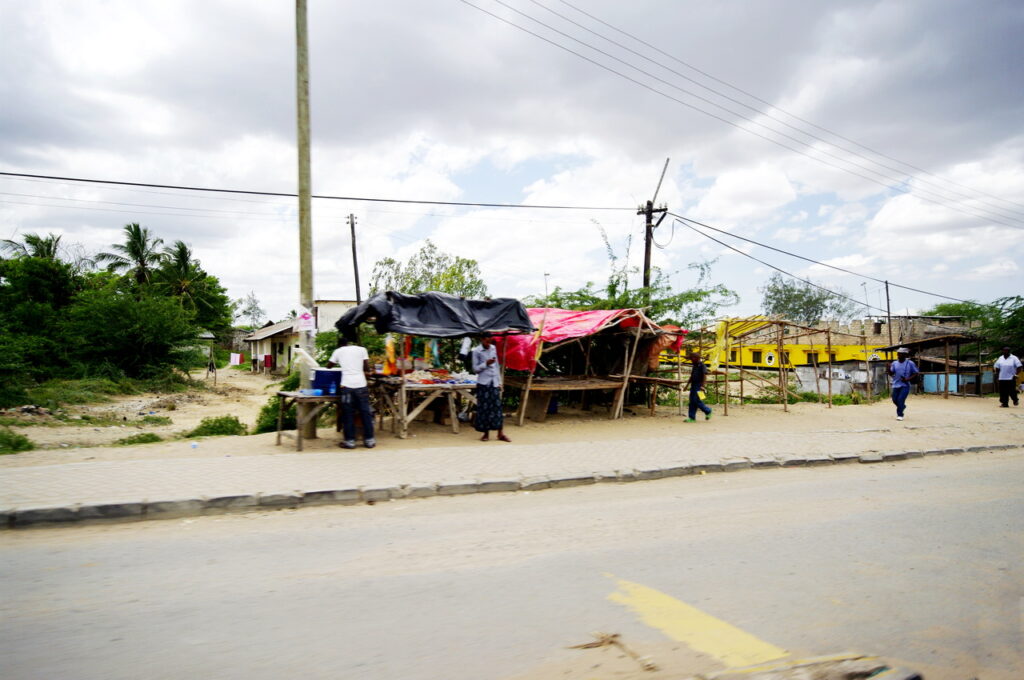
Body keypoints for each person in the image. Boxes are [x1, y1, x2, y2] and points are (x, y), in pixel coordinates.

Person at [326, 334, 375, 449]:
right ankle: (369, 441)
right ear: (349, 343)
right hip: (361, 385)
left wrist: (341, 363)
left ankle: (350, 441)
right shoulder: (362, 349)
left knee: (348, 414)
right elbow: (366, 368)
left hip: (347, 386)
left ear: (339, 344)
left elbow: (328, 366)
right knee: (365, 413)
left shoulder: (338, 351)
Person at [471, 335, 510, 442]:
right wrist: (485, 364)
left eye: (490, 341)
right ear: (482, 339)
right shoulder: (476, 351)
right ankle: (485, 434)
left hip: (494, 383)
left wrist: (500, 382)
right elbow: (475, 369)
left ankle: (500, 433)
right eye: (487, 341)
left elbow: (497, 366)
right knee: (484, 409)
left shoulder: (493, 348)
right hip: (483, 384)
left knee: (497, 409)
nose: (488, 344)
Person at [887, 347, 919, 421]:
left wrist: (907, 379)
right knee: (894, 399)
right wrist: (888, 368)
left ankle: (900, 414)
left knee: (900, 399)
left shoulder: (910, 363)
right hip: (896, 384)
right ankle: (902, 406)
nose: (898, 355)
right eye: (898, 354)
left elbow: (916, 373)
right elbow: (891, 373)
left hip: (905, 385)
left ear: (905, 355)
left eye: (900, 354)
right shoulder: (895, 363)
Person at [684, 351, 712, 422]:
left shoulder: (702, 365)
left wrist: (702, 386)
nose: (691, 360)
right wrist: (687, 386)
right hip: (693, 385)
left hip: (699, 385)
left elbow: (704, 376)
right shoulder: (695, 365)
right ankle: (692, 418)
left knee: (696, 400)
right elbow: (692, 376)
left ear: (697, 358)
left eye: (692, 358)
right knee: (692, 401)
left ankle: (708, 411)